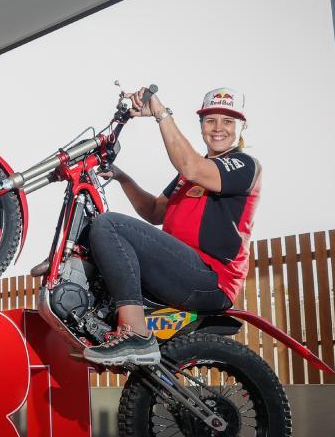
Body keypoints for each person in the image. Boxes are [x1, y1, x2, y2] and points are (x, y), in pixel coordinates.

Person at [81, 87, 261, 366]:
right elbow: (153, 211)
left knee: (110, 225)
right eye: (211, 120)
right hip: (181, 270)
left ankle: (135, 335)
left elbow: (192, 167)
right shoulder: (187, 175)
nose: (218, 128)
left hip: (210, 278)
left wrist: (161, 114)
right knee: (98, 237)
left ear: (241, 127)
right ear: (201, 125)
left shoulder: (243, 164)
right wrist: (120, 176)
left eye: (228, 121)